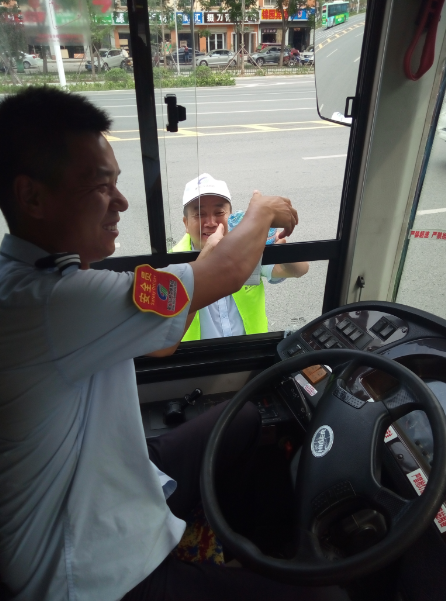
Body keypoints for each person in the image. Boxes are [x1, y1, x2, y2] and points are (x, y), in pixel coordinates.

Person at [0, 87, 348, 601]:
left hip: (107, 475)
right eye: (101, 186)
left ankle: (258, 551)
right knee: (327, 599)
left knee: (243, 418)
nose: (121, 202)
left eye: (117, 183)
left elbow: (161, 344)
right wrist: (261, 210)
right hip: (87, 568)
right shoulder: (54, 300)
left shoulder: (40, 277)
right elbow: (225, 271)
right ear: (32, 197)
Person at [173, 173, 309, 341]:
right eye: (200, 214)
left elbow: (300, 269)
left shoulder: (245, 248)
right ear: (186, 223)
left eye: (219, 212)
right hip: (198, 355)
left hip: (249, 351)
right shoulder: (172, 264)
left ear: (230, 215)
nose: (211, 222)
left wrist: (281, 251)